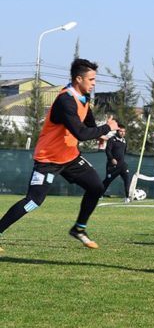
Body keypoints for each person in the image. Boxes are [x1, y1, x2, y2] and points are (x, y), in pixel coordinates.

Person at [0, 59, 118, 252]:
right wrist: (108, 127)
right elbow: (80, 133)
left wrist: (101, 134)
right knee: (33, 202)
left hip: (70, 157)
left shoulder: (84, 98)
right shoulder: (66, 101)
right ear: (78, 79)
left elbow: (88, 126)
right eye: (91, 79)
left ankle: (79, 229)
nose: (94, 83)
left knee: (96, 187)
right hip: (48, 160)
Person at [102, 124, 131, 203]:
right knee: (107, 181)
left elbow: (124, 152)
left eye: (124, 131)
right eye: (121, 131)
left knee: (127, 179)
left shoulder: (124, 141)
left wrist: (121, 160)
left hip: (122, 165)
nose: (122, 133)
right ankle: (99, 194)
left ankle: (127, 197)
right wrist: (112, 159)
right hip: (112, 166)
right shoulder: (112, 139)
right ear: (117, 131)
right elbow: (108, 151)